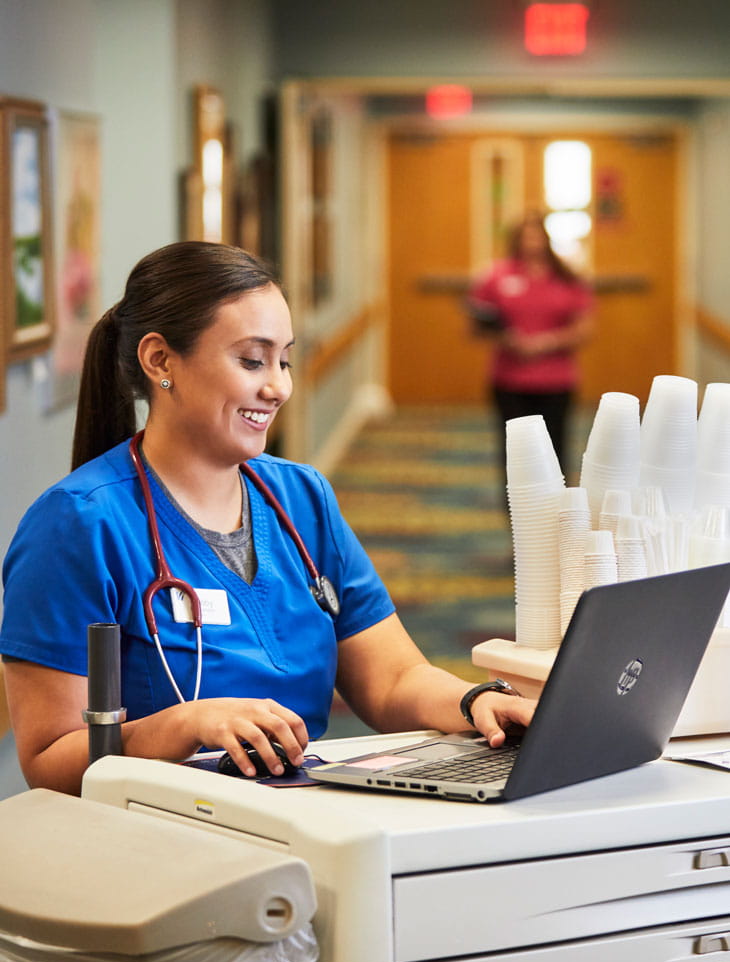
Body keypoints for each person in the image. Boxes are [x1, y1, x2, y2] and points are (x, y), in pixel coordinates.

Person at [0, 241, 535, 796]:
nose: (279, 387)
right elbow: (47, 758)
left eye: (284, 360)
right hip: (163, 836)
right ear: (160, 360)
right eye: (252, 360)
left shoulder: (302, 496)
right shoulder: (78, 526)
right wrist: (183, 726)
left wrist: (476, 702)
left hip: (308, 819)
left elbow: (392, 679)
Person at [467, 212, 594, 476]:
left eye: (537, 235)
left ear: (546, 239)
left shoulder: (567, 277)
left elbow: (585, 329)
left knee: (555, 450)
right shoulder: (497, 275)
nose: (531, 243)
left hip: (556, 380)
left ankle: (556, 512)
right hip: (510, 380)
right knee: (515, 453)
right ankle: (516, 512)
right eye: (526, 236)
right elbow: (476, 323)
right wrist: (507, 338)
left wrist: (544, 343)